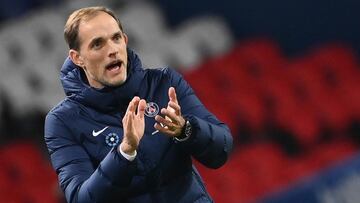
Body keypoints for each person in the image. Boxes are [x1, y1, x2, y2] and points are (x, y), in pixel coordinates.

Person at [44, 6, 233, 203]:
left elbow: (222, 150)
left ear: (125, 41)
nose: (112, 50)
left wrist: (186, 130)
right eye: (98, 44)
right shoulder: (63, 121)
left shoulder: (164, 83)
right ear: (77, 58)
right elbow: (81, 199)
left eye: (116, 38)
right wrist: (125, 152)